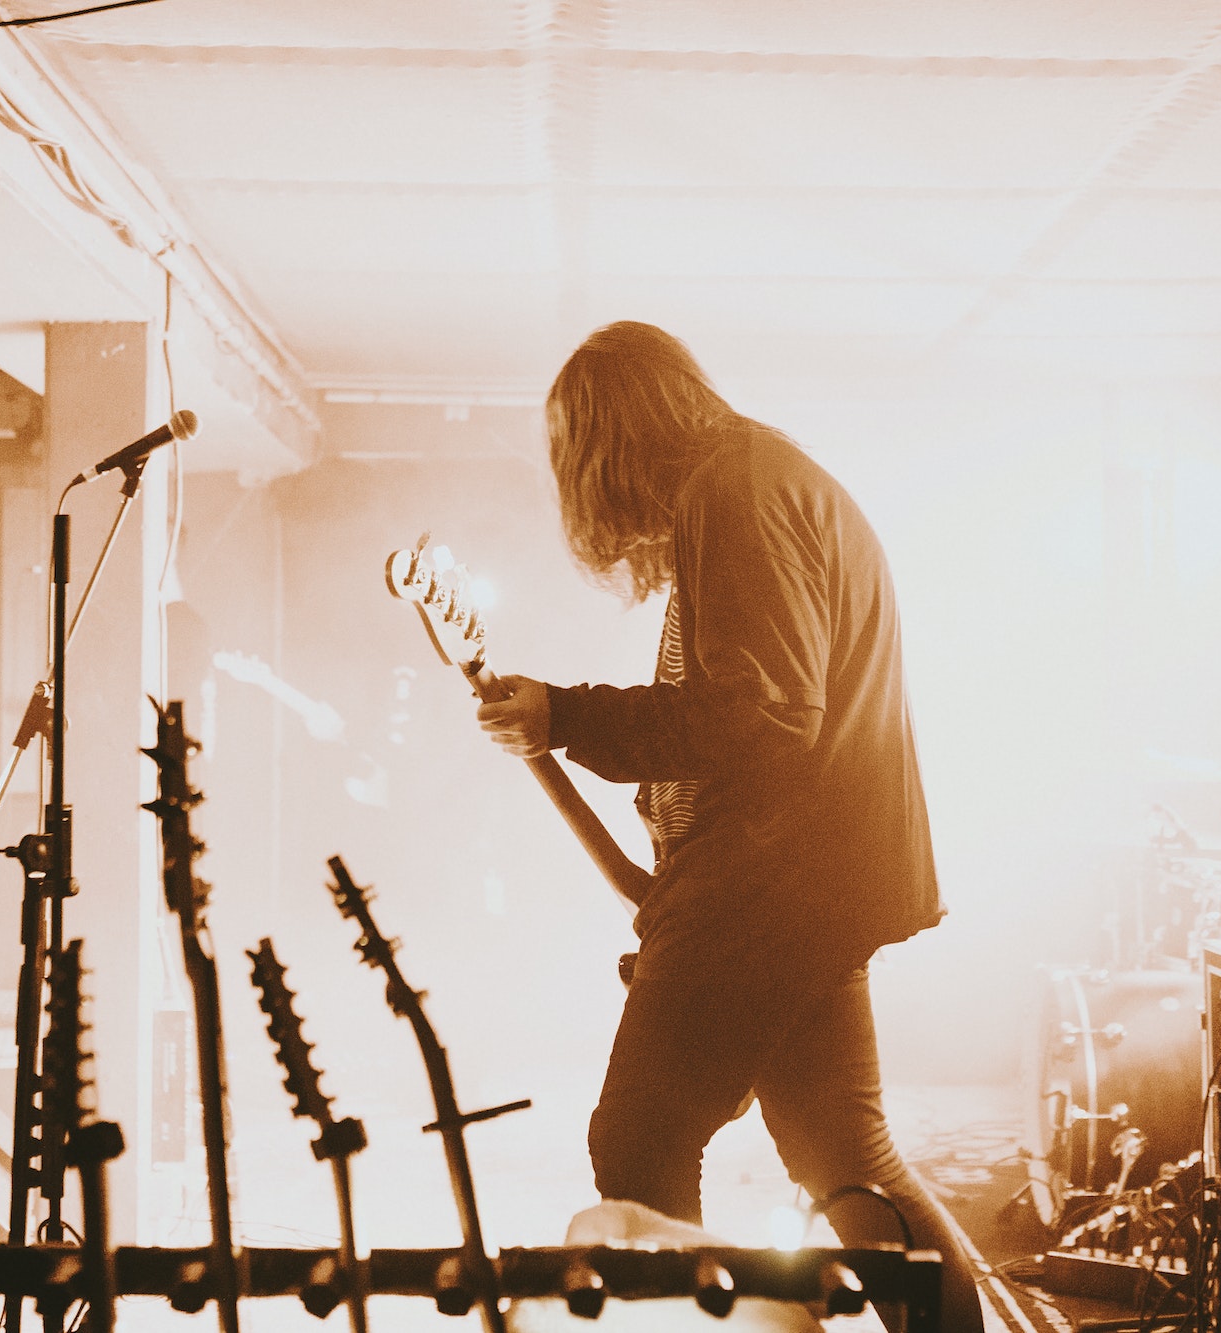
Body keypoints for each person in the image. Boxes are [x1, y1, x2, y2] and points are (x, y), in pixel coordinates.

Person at [477, 322, 985, 1333]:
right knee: (849, 1157)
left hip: (773, 884)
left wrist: (568, 713)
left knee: (639, 1138)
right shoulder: (759, 476)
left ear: (611, 439)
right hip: (808, 880)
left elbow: (764, 713)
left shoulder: (735, 489)